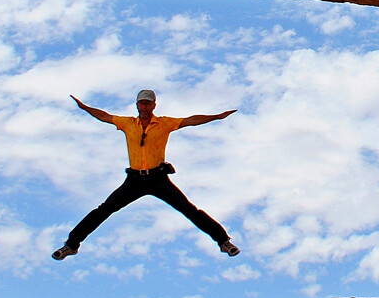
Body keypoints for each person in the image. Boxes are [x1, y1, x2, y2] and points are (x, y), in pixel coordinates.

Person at [52, 89, 241, 260]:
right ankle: (71, 245)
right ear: (137, 105)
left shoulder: (164, 123)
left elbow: (191, 120)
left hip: (158, 179)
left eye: (148, 103)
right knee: (104, 210)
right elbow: (104, 116)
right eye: (141, 103)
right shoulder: (128, 124)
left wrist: (217, 117)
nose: (144, 106)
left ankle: (224, 241)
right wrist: (84, 107)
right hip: (134, 180)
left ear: (153, 105)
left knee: (189, 210)